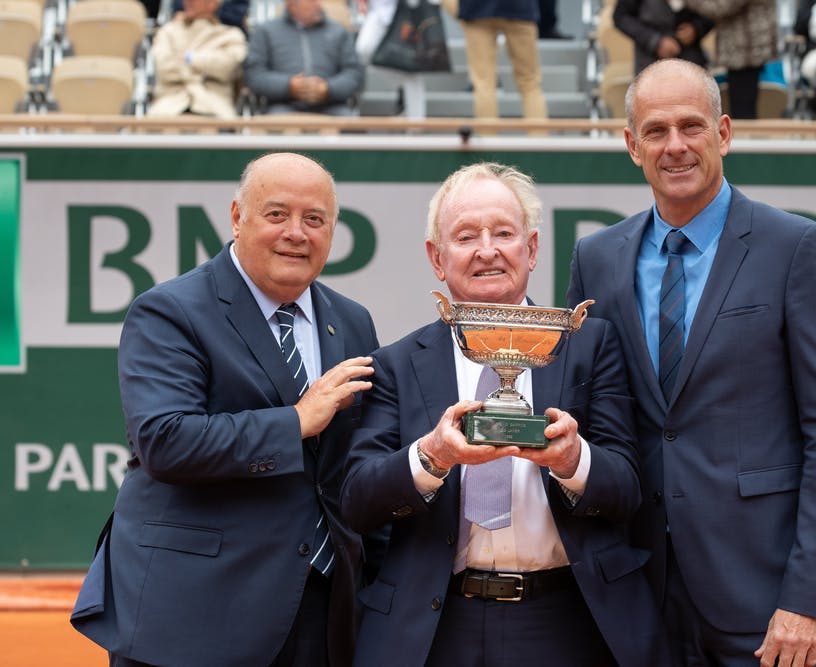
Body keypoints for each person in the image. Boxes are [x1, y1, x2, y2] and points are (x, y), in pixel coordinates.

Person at [567, 59, 816, 667]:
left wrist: (809, 599)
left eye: (691, 126)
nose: (674, 146)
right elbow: (596, 419)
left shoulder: (798, 248)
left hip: (763, 599)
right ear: (631, 146)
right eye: (655, 131)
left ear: (724, 133)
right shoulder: (596, 259)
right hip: (636, 593)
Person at [340, 162, 668, 666]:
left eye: (504, 233)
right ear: (437, 257)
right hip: (436, 625)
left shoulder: (591, 345)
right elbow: (358, 501)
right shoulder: (397, 364)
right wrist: (432, 456)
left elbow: (628, 488)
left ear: (532, 249)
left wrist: (572, 460)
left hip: (571, 619)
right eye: (466, 235)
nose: (487, 250)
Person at [70, 152, 380, 667]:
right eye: (276, 215)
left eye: (314, 219)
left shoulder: (351, 321)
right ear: (237, 217)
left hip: (321, 612)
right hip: (195, 613)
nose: (296, 234)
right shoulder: (170, 310)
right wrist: (296, 421)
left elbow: (357, 460)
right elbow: (165, 442)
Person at [244, 0, 364, 115]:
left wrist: (328, 88)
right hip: (281, 106)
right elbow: (254, 75)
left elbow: (353, 74)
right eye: (311, 1)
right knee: (278, 126)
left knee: (350, 126)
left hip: (332, 106)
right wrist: (288, 86)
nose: (319, 4)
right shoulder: (266, 32)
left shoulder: (339, 32)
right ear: (291, 4)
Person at [147, 0, 247, 119]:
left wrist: (189, 58)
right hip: (167, 109)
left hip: (215, 109)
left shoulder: (231, 35)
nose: (187, 2)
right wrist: (204, 70)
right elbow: (163, 68)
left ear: (212, 3)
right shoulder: (168, 32)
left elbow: (226, 68)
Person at [456, 0, 549, 127]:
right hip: (520, 9)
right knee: (530, 84)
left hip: (476, 9)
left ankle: (486, 143)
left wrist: (458, 10)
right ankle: (539, 142)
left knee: (484, 84)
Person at [683, 0, 777, 118]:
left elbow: (719, 7)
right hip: (746, 52)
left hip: (746, 54)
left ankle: (744, 135)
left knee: (743, 113)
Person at [355, 0, 429, 120]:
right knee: (364, 50)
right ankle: (403, 86)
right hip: (378, 12)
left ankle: (416, 126)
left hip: (407, 13)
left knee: (412, 73)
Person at [613, 0, 714, 74]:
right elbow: (621, 16)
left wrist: (696, 28)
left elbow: (714, 8)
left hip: (692, 61)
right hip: (651, 63)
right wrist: (655, 41)